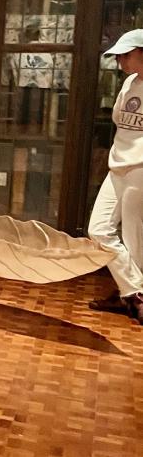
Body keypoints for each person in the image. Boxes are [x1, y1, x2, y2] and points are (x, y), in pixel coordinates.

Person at [87, 28, 143, 324]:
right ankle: (132, 290)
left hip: (141, 167)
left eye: (126, 54)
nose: (120, 60)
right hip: (118, 164)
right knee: (99, 229)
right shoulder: (129, 84)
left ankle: (131, 295)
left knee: (134, 235)